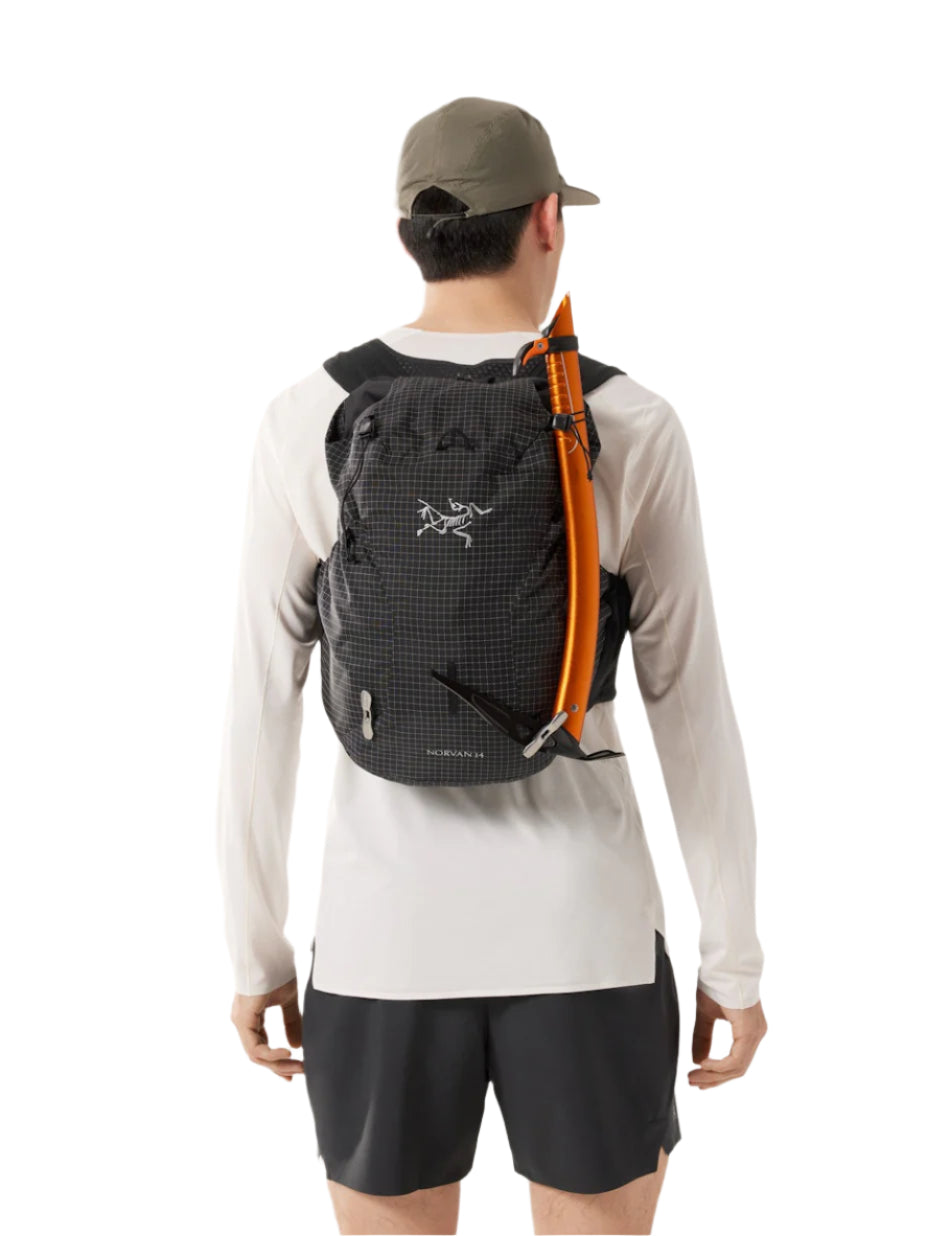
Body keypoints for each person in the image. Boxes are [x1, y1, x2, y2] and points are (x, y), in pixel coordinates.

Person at [216, 96, 767, 1236]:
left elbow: (259, 707)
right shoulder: (624, 418)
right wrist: (735, 959)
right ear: (547, 220)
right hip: (585, 936)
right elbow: (691, 707)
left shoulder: (311, 415)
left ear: (407, 235)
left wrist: (254, 948)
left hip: (380, 942)